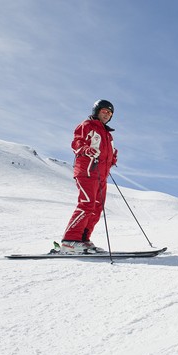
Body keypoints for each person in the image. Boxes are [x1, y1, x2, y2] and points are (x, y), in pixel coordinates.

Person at [60, 99, 118, 254]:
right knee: (87, 204)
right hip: (87, 171)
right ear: (97, 111)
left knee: (97, 208)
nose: (107, 115)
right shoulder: (87, 125)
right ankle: (70, 241)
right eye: (104, 111)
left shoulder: (107, 134)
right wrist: (85, 148)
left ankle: (83, 240)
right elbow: (77, 142)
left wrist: (112, 158)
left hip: (101, 175)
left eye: (110, 113)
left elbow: (106, 153)